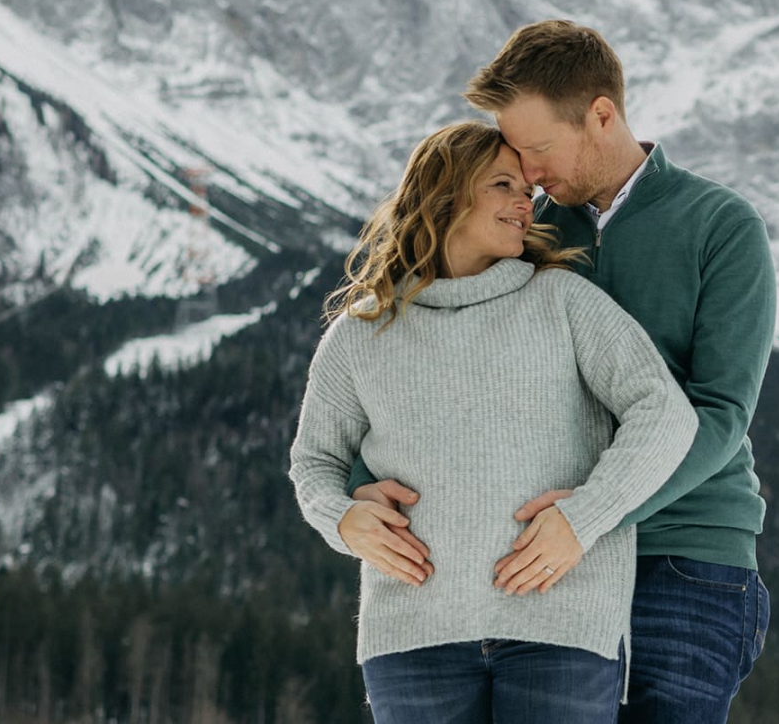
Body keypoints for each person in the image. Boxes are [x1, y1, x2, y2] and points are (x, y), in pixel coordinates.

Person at [346, 21, 778, 723]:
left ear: (602, 115)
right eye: (517, 156)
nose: (532, 174)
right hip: (548, 559)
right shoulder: (531, 233)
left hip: (683, 558)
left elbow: (721, 411)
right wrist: (348, 500)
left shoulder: (719, 225)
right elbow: (430, 372)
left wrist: (592, 517)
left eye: (540, 149)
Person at [289, 121, 697, 724]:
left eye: (527, 189)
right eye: (503, 184)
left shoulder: (563, 301)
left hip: (560, 624)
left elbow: (665, 413)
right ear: (446, 194)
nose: (525, 201)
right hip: (412, 636)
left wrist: (585, 517)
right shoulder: (361, 333)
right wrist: (342, 518)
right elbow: (314, 463)